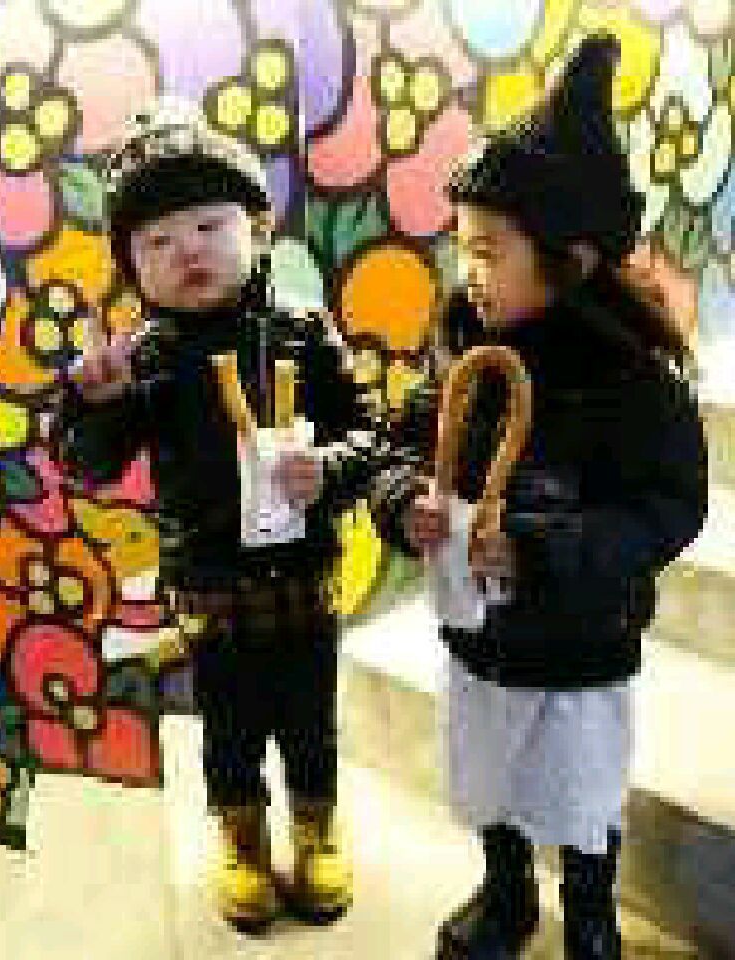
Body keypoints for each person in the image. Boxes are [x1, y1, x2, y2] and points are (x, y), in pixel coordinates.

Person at [369, 35, 708, 960]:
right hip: (483, 640)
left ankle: (590, 909)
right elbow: (397, 448)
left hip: (582, 643)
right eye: (464, 250)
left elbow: (668, 509)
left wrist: (541, 547)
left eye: (489, 251)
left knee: (582, 787)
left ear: (574, 257)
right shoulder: (464, 359)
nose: (469, 273)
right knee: (492, 776)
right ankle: (507, 889)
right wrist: (404, 502)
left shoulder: (636, 386)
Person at [55, 100, 375, 934]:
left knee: (311, 721)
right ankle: (241, 840)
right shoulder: (144, 358)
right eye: (157, 242)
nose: (186, 250)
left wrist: (331, 468)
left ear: (259, 229)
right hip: (209, 588)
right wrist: (93, 406)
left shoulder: (305, 329)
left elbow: (371, 435)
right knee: (228, 729)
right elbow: (90, 465)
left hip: (306, 579)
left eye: (206, 225)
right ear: (132, 267)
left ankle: (316, 829)